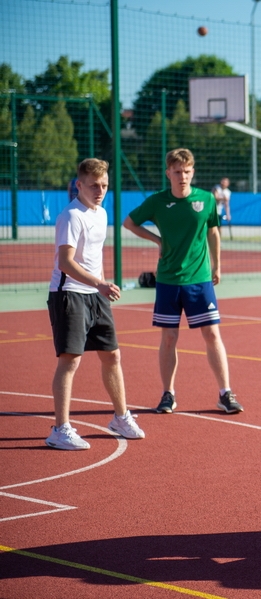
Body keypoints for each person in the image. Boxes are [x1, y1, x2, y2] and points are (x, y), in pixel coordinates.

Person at [123, 148, 243, 415]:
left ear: (193, 172)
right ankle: (168, 394)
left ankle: (225, 393)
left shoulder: (206, 199)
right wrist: (157, 240)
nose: (183, 176)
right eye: (177, 172)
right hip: (168, 280)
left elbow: (213, 231)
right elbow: (129, 223)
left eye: (187, 171)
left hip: (199, 279)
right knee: (169, 338)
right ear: (168, 173)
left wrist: (217, 265)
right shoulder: (156, 202)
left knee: (212, 334)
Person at [46, 158, 145, 450]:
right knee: (71, 360)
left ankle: (120, 417)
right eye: (93, 185)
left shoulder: (101, 213)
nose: (99, 190)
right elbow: (66, 262)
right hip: (69, 295)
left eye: (104, 185)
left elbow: (95, 257)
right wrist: (98, 283)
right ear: (79, 185)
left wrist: (101, 286)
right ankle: (60, 429)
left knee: (112, 356)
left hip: (95, 296)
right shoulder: (71, 215)